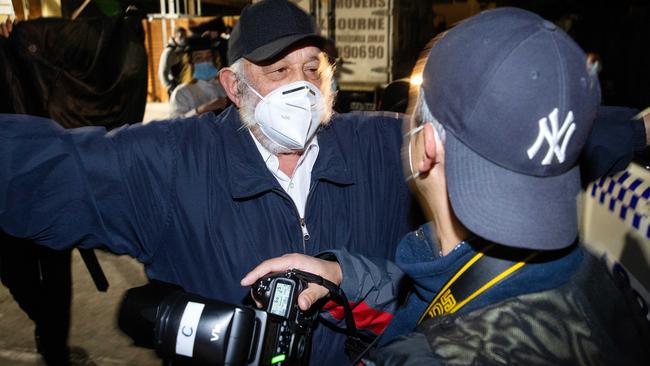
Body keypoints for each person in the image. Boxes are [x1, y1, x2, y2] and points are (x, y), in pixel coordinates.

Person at [0, 1, 415, 364]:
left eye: (312, 69)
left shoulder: (380, 148)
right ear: (235, 86)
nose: (302, 88)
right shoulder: (176, 162)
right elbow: (50, 169)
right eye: (279, 70)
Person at [241, 7, 650, 365]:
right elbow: (436, 292)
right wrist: (341, 274)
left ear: (426, 148)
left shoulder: (424, 357)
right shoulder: (593, 279)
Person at [168, 35, 229, 118]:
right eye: (199, 58)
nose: (205, 61)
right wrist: (200, 110)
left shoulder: (224, 86)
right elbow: (175, 125)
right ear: (191, 63)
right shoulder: (181, 93)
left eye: (209, 57)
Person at [157, 27, 187, 97]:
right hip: (174, 86)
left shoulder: (180, 49)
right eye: (181, 36)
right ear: (174, 37)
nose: (183, 39)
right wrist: (170, 86)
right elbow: (162, 72)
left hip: (182, 85)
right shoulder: (168, 52)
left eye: (185, 36)